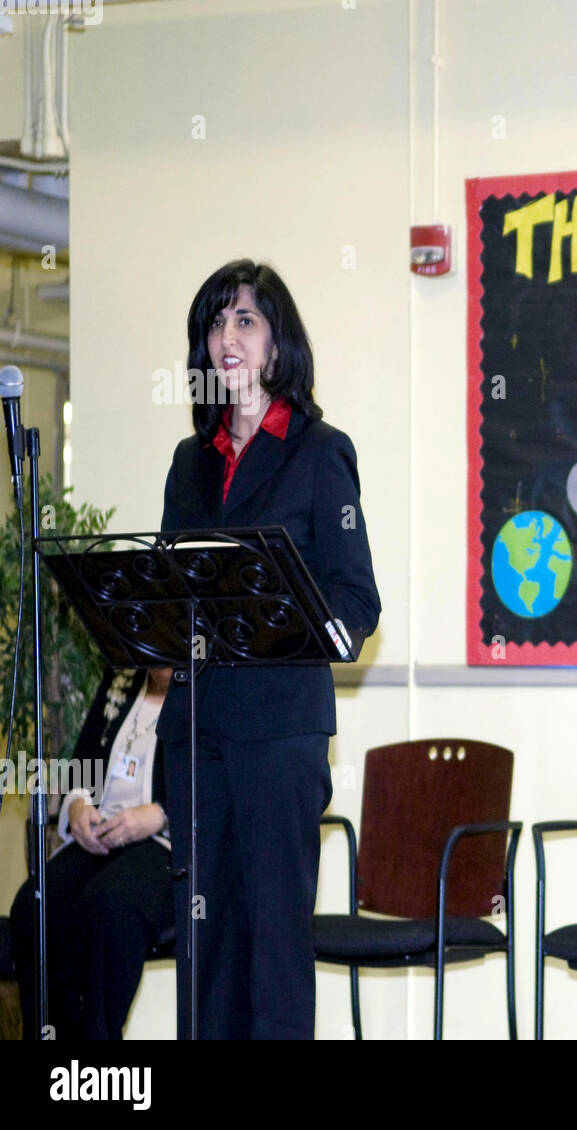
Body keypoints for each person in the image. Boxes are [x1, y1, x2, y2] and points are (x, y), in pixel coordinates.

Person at [158, 259, 381, 1039]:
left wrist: (289, 625)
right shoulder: (190, 464)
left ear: (278, 346)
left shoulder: (322, 452)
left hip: (280, 733)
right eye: (214, 323)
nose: (227, 337)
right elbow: (167, 590)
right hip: (195, 739)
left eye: (245, 320)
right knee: (206, 948)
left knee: (274, 949)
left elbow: (359, 602)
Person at [10, 667, 172, 1040]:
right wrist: (77, 806)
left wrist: (162, 813)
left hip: (163, 842)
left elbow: (216, 782)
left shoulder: (208, 687)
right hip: (101, 835)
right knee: (33, 906)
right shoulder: (121, 678)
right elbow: (82, 768)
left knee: (109, 906)